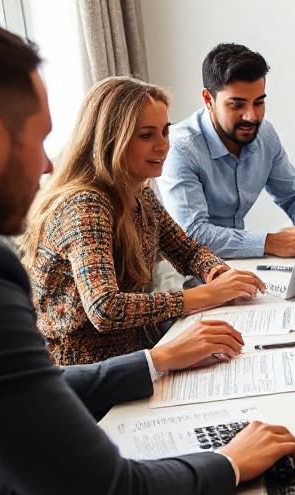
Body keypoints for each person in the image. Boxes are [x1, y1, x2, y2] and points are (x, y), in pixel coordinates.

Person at [0, 6, 295, 495]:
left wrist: (153, 362)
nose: (46, 164)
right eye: (38, 141)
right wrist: (229, 463)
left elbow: (25, 388)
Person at [20, 76, 265, 365]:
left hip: (133, 349)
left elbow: (187, 250)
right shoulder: (86, 204)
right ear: (111, 138)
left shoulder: (140, 192)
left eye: (165, 132)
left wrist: (217, 273)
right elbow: (104, 307)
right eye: (146, 135)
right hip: (89, 370)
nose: (163, 146)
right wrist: (205, 295)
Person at [157, 43, 295, 258]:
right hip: (187, 273)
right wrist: (269, 242)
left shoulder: (265, 134)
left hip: (239, 266)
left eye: (258, 103)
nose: (251, 116)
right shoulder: (180, 147)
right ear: (208, 100)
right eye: (237, 105)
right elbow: (192, 234)